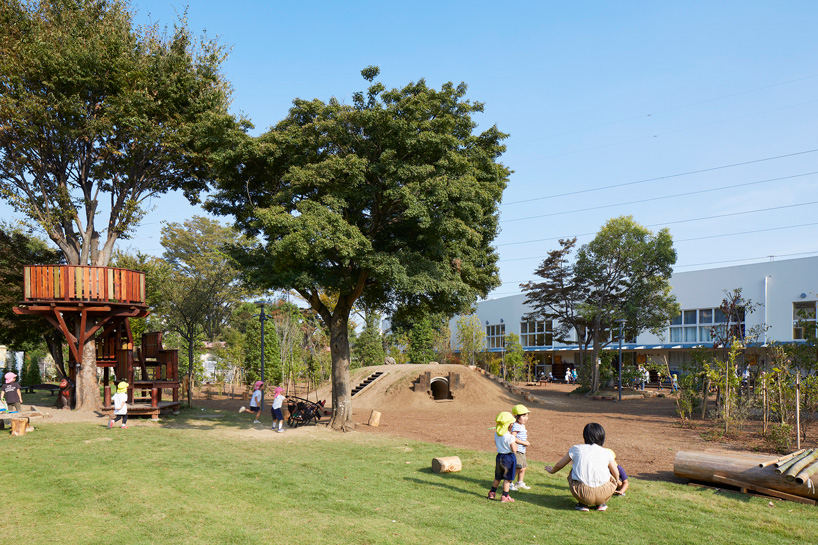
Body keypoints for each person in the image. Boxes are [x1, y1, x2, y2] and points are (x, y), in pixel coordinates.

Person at [544, 422, 620, 511]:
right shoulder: (607, 452)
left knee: (573, 471)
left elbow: (560, 465)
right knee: (609, 475)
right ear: (602, 437)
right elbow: (616, 473)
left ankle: (583, 504)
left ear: (585, 436)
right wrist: (617, 483)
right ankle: (601, 504)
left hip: (583, 494)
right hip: (605, 493)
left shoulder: (576, 449)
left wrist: (552, 471)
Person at [487, 411, 518, 503]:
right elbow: (514, 449)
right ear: (510, 425)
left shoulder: (497, 434)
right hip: (509, 458)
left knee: (497, 477)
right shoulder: (510, 437)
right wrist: (515, 445)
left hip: (499, 456)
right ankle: (505, 496)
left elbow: (496, 443)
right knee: (507, 479)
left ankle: (492, 493)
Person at [510, 404, 531, 490]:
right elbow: (513, 437)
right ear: (516, 416)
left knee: (524, 467)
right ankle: (509, 483)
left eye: (526, 416)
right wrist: (523, 442)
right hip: (517, 450)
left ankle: (520, 482)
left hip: (522, 450)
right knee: (518, 467)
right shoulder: (516, 425)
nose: (526, 418)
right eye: (523, 416)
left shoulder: (521, 425)